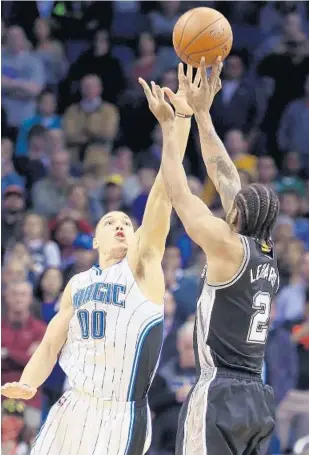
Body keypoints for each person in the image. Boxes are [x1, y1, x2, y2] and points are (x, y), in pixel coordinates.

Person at [1, 79, 193, 455]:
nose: (121, 225)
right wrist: (29, 382)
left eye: (126, 222)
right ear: (94, 238)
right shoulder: (77, 283)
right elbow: (53, 340)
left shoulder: (143, 269)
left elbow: (162, 195)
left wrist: (176, 128)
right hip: (72, 404)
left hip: (120, 413)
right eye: (110, 222)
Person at [140, 58, 280, 455]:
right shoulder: (266, 255)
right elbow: (226, 176)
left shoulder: (226, 244)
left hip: (220, 389)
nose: (227, 204)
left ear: (238, 215)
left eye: (232, 206)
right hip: (257, 397)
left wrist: (172, 127)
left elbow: (179, 191)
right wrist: (203, 113)